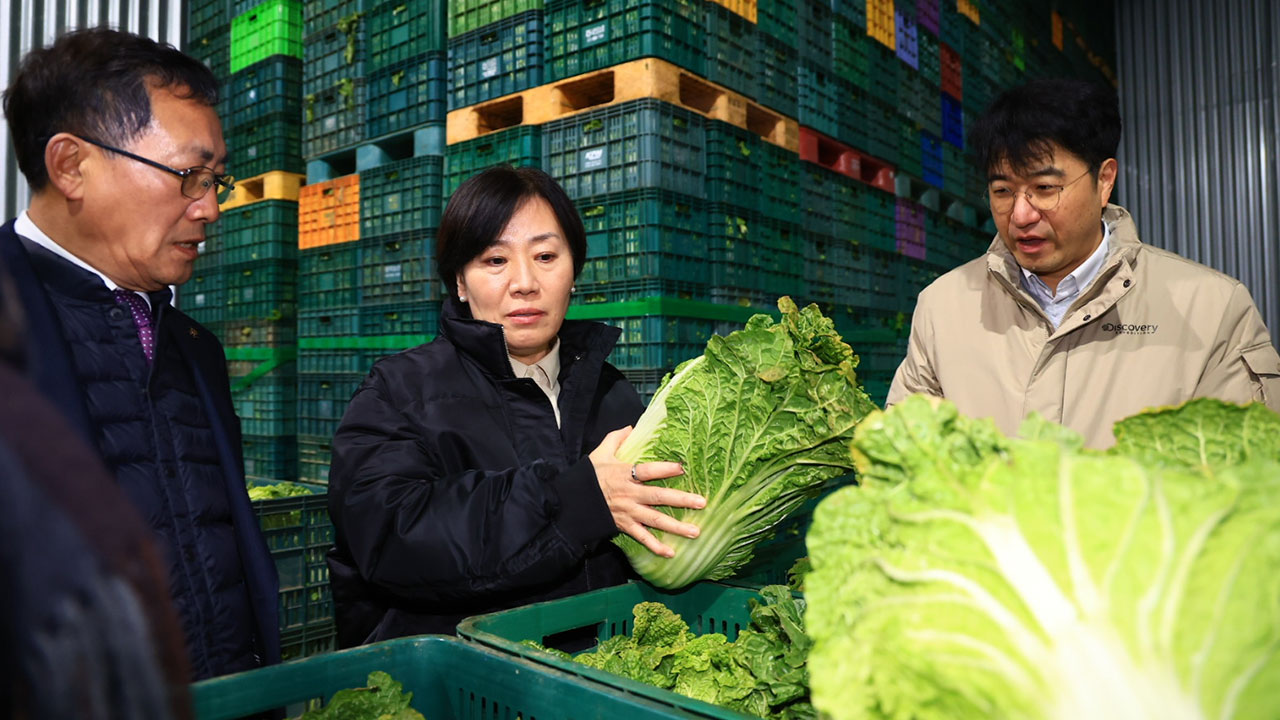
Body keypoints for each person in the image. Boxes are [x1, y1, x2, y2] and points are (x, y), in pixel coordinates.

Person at [327, 166, 706, 647]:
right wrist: (574, 501)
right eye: (494, 260)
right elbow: (391, 536)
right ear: (460, 282)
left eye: (546, 256)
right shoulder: (396, 391)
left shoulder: (613, 393)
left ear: (574, 273)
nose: (525, 282)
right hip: (470, 684)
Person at [0, 28, 278, 678]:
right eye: (188, 176)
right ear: (71, 165)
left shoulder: (193, 350)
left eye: (216, 180)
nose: (210, 207)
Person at [887, 77, 1280, 448]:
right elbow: (903, 465)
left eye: (1044, 188)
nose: (1020, 214)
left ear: (1105, 180)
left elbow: (1247, 483)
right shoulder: (942, 307)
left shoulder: (1211, 311)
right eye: (1003, 190)